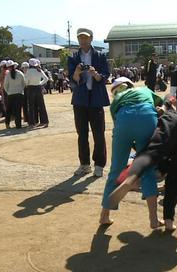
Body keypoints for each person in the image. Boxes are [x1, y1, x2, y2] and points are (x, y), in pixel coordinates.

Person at [107, 105, 177, 232]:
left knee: (150, 151)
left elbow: (154, 149)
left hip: (173, 124)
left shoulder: (166, 117)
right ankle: (168, 221)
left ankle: (131, 178)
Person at [98, 77, 161, 229]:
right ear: (131, 85)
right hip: (147, 117)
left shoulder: (116, 101)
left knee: (116, 169)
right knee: (147, 170)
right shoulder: (144, 89)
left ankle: (104, 215)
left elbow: (119, 126)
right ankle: (154, 219)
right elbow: (159, 106)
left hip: (123, 120)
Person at [67, 27, 110, 177]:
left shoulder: (100, 56)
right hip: (80, 100)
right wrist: (77, 72)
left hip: (96, 99)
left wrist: (95, 74)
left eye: (85, 38)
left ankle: (99, 165)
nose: (83, 41)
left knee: (99, 133)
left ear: (91, 38)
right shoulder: (73, 57)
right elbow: (72, 80)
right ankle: (84, 164)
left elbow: (106, 75)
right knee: (82, 134)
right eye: (80, 38)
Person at [25, 58, 49, 128]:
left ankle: (32, 123)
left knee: (31, 106)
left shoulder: (28, 71)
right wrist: (40, 83)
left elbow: (26, 81)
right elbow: (46, 79)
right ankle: (45, 121)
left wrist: (28, 84)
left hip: (30, 88)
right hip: (38, 88)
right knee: (41, 105)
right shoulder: (39, 70)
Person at [3, 60, 26, 129]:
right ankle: (18, 125)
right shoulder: (20, 73)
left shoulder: (7, 75)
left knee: (8, 110)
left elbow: (5, 86)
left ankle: (7, 124)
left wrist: (8, 92)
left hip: (10, 94)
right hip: (19, 94)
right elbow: (24, 84)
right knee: (18, 110)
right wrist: (21, 90)